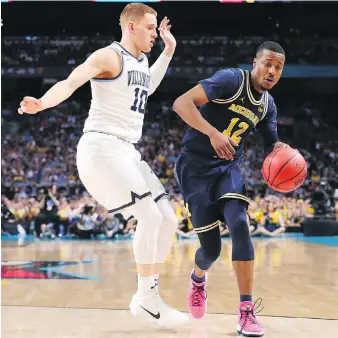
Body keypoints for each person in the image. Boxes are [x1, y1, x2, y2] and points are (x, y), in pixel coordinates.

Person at [18, 2, 188, 328]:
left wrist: (168, 52)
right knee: (149, 215)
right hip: (101, 148)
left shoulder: (142, 60)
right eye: (151, 28)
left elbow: (146, 87)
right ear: (131, 26)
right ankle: (147, 299)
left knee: (167, 219)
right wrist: (42, 103)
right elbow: (71, 82)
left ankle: (147, 295)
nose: (155, 33)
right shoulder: (108, 56)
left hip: (126, 152)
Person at [173, 41, 290, 337]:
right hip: (195, 167)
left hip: (228, 168)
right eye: (268, 64)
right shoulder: (231, 80)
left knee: (240, 223)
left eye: (278, 67)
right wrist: (212, 133)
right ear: (255, 63)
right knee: (210, 250)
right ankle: (198, 279)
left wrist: (282, 150)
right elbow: (181, 103)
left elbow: (270, 144)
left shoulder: (267, 105)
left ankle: (246, 311)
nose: (272, 71)